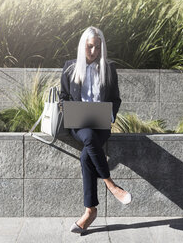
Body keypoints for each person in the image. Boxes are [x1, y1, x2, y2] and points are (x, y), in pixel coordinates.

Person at [59, 26, 132, 234]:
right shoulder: (69, 67)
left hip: (101, 124)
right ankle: (111, 184)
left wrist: (107, 115)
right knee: (88, 136)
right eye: (90, 47)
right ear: (83, 45)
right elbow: (63, 97)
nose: (94, 51)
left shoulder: (109, 68)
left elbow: (116, 99)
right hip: (79, 124)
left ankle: (90, 211)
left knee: (86, 157)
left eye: (97, 47)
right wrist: (70, 110)